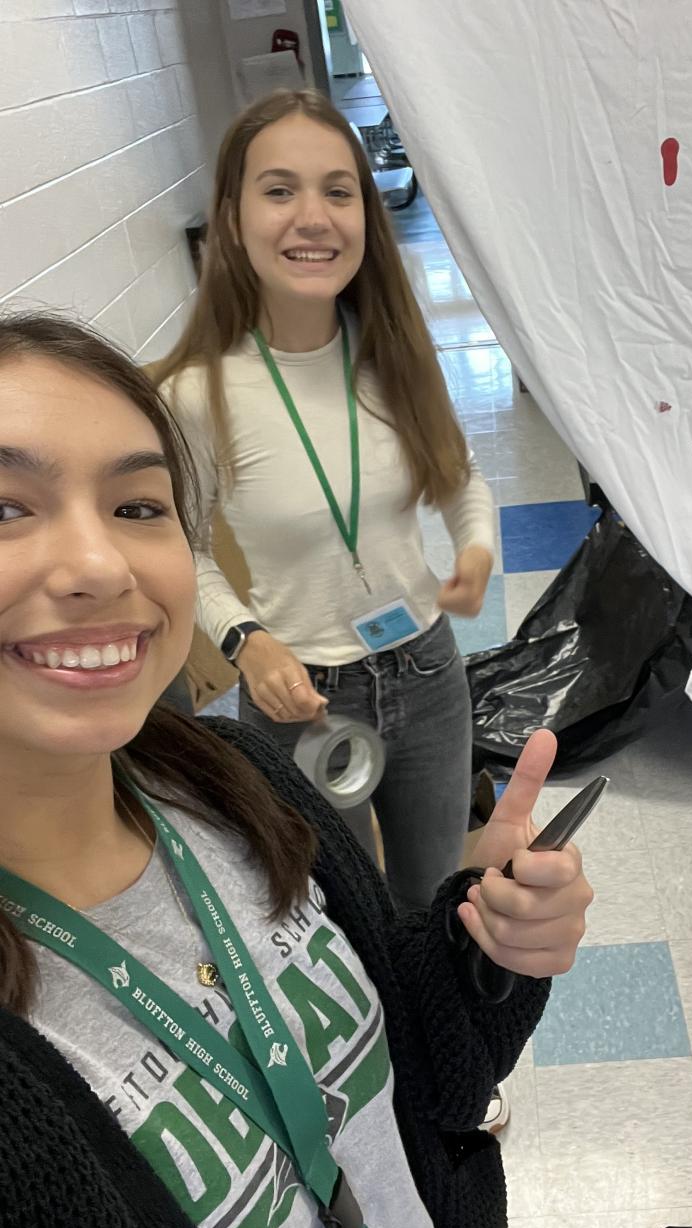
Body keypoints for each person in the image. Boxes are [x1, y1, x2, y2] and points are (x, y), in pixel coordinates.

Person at [0, 313, 592, 1228]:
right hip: (309, 681)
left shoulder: (231, 784)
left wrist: (486, 947)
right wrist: (246, 638)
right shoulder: (207, 389)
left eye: (138, 506)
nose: (102, 565)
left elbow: (422, 1066)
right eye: (5, 509)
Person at [153, 89, 496, 912]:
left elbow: (460, 476)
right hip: (298, 697)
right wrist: (245, 641)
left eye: (338, 191)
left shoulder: (395, 357)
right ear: (232, 219)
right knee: (336, 911)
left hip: (426, 670)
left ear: (365, 216)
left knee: (430, 899)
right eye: (279, 190)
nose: (314, 217)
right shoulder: (196, 393)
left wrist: (476, 549)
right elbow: (179, 548)